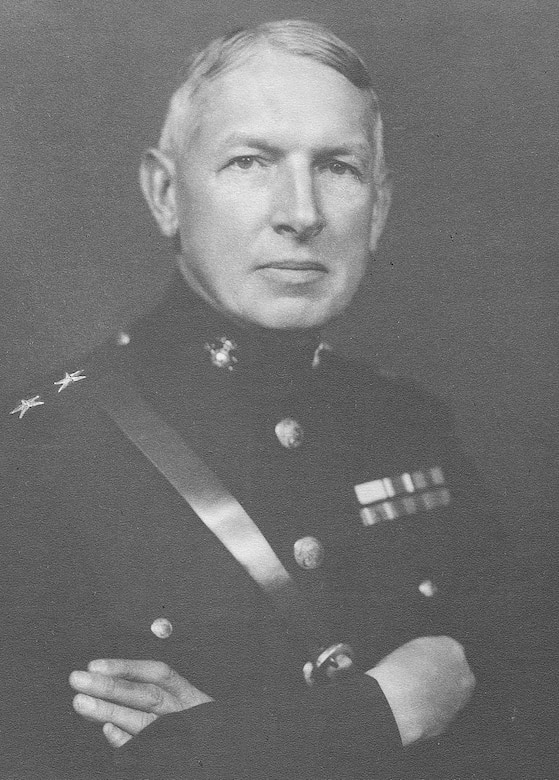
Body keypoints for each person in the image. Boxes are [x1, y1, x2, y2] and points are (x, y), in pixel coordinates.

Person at [1, 19, 552, 780]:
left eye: (337, 167)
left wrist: (207, 742)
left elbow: (528, 713)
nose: (301, 212)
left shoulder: (407, 423)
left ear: (379, 209)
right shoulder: (33, 452)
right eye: (250, 161)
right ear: (165, 193)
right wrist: (391, 705)